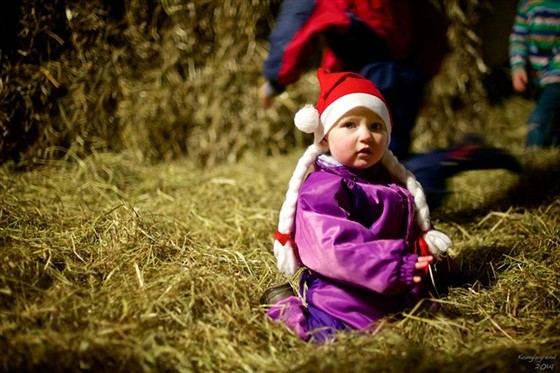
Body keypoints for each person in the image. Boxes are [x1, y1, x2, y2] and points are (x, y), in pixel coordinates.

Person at [259, 0, 521, 209]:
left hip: (366, 80)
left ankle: (450, 160)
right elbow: (431, 24)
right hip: (401, 75)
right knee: (380, 160)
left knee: (378, 170)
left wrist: (276, 80)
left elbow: (297, 21)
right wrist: (420, 78)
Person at [261, 68, 459, 342]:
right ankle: (283, 306)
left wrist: (430, 258)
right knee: (332, 334)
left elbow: (409, 228)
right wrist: (397, 265)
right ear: (325, 136)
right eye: (350, 125)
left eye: (376, 126)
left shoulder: (390, 181)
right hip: (343, 285)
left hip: (392, 277)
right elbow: (331, 246)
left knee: (417, 316)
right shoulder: (323, 187)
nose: (365, 136)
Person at [509, 0, 560, 148]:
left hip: (557, 74)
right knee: (553, 120)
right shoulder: (527, 4)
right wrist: (518, 67)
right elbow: (518, 37)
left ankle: (533, 159)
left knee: (538, 119)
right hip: (540, 76)